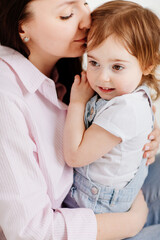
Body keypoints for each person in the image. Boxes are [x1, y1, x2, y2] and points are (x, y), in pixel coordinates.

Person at [0, 0, 159, 239]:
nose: (87, 20)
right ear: (23, 28)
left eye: (84, 2)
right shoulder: (7, 97)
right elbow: (32, 231)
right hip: (89, 208)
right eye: (67, 14)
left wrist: (145, 133)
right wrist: (132, 221)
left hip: (108, 185)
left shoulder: (70, 69)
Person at [63, 0, 160, 215]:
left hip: (95, 203)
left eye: (117, 67)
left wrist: (77, 102)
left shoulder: (126, 107)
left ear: (147, 65)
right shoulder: (133, 89)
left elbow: (74, 157)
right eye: (94, 62)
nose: (102, 77)